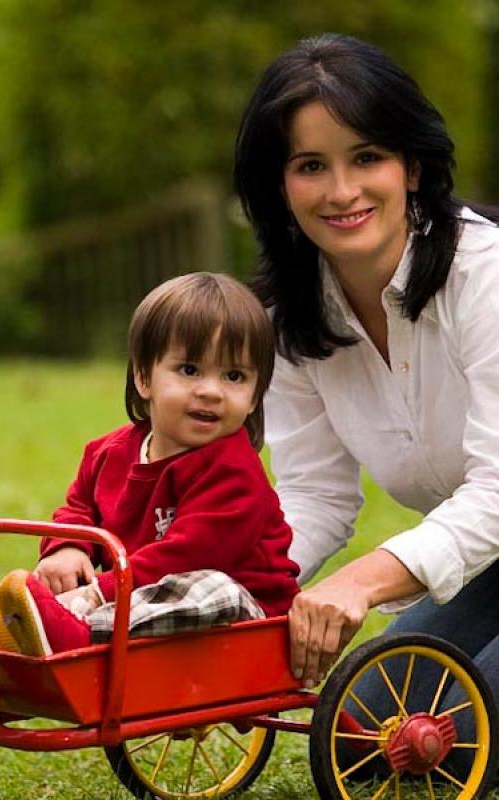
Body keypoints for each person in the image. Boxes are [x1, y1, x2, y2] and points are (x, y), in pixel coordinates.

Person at [234, 32, 499, 739]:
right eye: (310, 165)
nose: (341, 190)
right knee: (371, 727)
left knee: (455, 738)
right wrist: (226, 603)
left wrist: (358, 581)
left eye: (366, 157)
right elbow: (314, 496)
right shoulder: (289, 320)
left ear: (411, 167)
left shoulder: (487, 277)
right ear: (278, 185)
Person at [0, 272, 300, 655]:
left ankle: (75, 630)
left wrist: (99, 592)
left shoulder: (234, 471)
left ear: (254, 397)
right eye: (189, 370)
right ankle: (43, 627)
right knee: (113, 594)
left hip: (245, 621)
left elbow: (188, 556)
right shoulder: (108, 453)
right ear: (144, 376)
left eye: (234, 376)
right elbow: (78, 508)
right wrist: (68, 548)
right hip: (135, 598)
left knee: (208, 589)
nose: (211, 391)